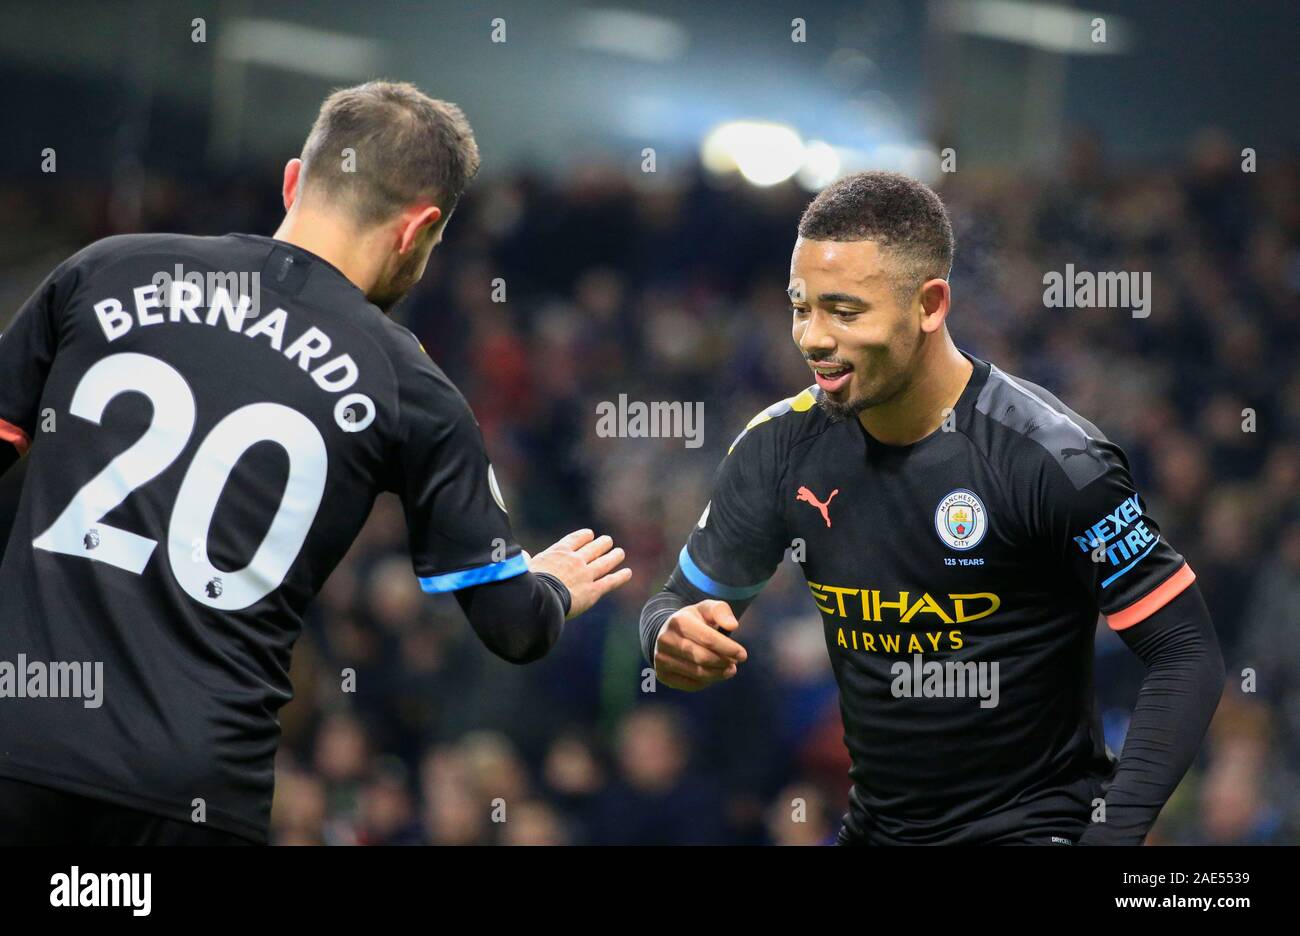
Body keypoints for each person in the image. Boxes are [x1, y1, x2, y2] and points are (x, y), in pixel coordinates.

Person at [0, 80, 630, 845]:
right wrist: (554, 590)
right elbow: (512, 626)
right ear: (419, 230)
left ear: (296, 179)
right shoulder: (413, 386)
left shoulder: (104, 271)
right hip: (188, 791)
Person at [639, 170, 1224, 845]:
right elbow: (676, 602)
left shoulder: (1052, 460)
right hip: (877, 830)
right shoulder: (777, 447)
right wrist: (668, 634)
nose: (812, 338)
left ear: (931, 303)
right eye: (801, 307)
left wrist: (1111, 839)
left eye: (844, 310)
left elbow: (1186, 653)